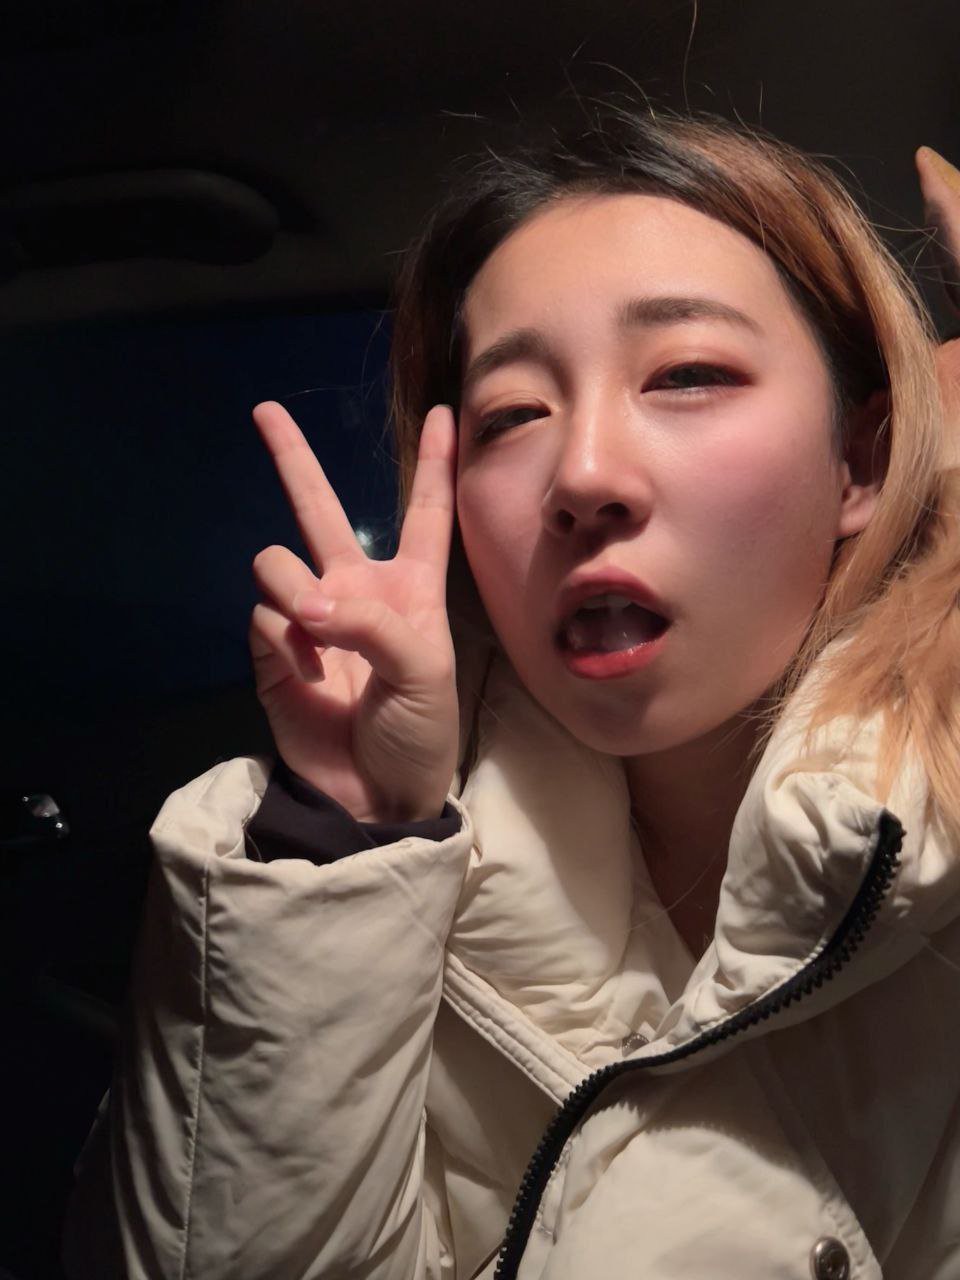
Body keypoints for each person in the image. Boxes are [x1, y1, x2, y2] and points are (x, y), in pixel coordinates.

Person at [64, 105, 960, 1280]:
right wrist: (342, 837)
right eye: (512, 415)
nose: (581, 474)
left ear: (862, 460)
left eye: (687, 374)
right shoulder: (388, 884)